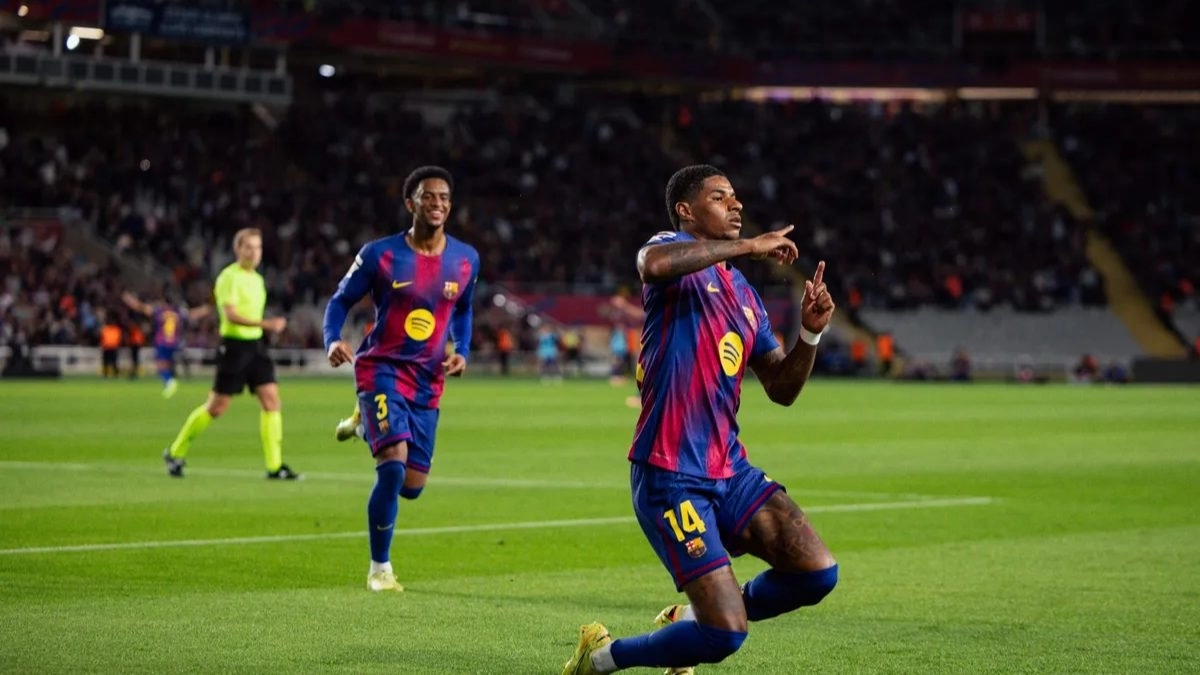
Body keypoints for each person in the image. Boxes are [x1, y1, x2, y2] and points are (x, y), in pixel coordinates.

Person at [561, 165, 838, 675]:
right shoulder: (670, 250)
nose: (735, 205)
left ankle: (686, 618)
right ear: (687, 212)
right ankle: (599, 658)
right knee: (724, 635)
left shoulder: (744, 297)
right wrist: (751, 246)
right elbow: (652, 264)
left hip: (729, 470)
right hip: (670, 473)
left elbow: (781, 388)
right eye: (719, 197)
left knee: (816, 573)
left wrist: (811, 335)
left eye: (736, 196)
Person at [323, 166, 479, 593]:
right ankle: (379, 569)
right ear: (410, 203)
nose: (438, 204)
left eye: (445, 198)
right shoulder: (380, 255)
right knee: (391, 469)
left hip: (428, 379)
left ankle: (364, 424)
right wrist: (332, 339)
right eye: (428, 197)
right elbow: (340, 301)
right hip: (381, 369)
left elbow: (463, 309)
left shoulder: (466, 259)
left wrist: (461, 350)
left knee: (412, 488)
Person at [161, 228, 298, 480]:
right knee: (216, 407)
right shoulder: (228, 277)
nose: (255, 252)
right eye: (250, 247)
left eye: (258, 247)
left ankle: (274, 466)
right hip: (235, 348)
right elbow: (230, 315)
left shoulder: (257, 279)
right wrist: (267, 325)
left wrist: (262, 328)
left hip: (256, 347)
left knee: (271, 400)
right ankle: (175, 451)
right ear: (239, 250)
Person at [121, 290, 211, 398]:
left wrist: (129, 300)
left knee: (160, 364)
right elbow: (192, 314)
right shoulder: (178, 312)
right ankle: (171, 379)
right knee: (168, 363)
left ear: (164, 301)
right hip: (174, 341)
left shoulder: (159, 311)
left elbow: (141, 307)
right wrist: (206, 309)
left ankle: (169, 381)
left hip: (162, 341)